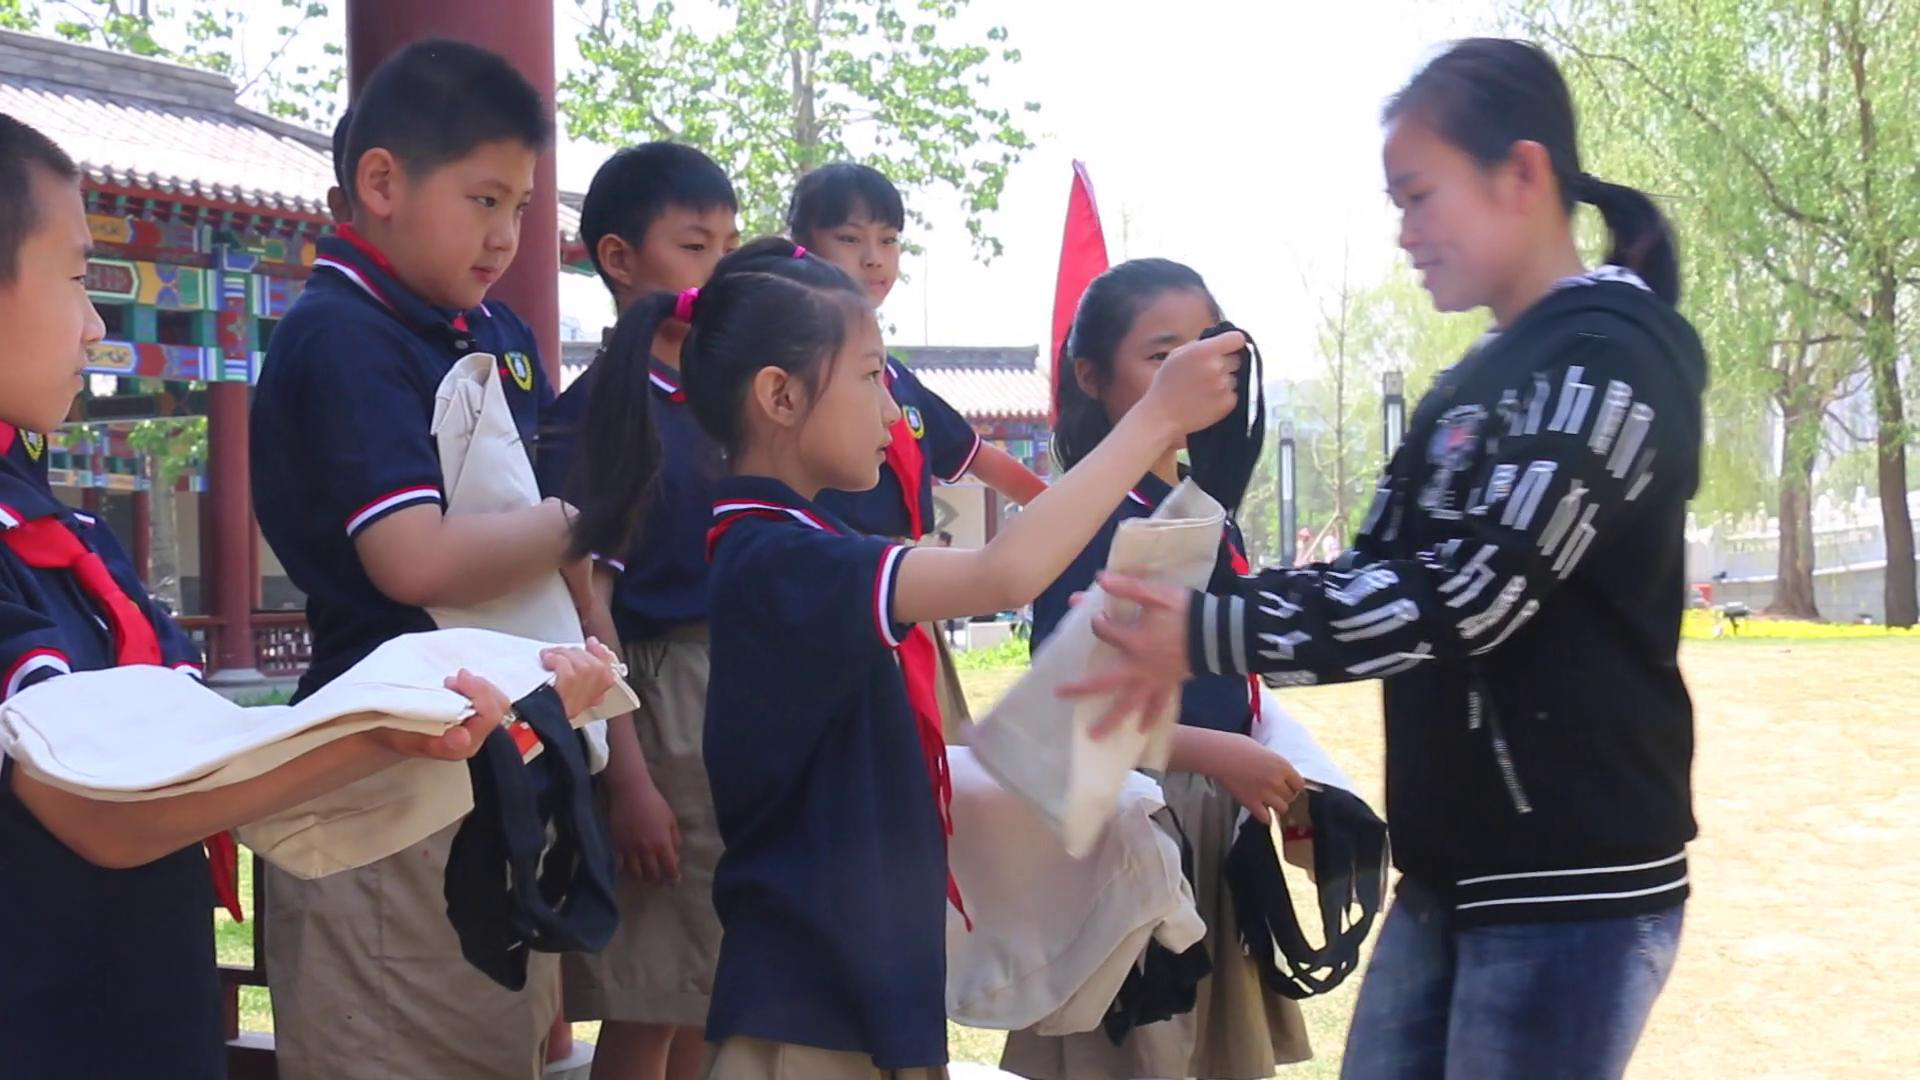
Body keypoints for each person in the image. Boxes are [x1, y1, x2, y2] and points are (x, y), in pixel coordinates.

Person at [1068, 39, 1701, 1080]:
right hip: (1454, 875)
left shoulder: (1615, 358)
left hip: (1569, 886)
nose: (1403, 231)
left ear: (1524, 175)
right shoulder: (1480, 381)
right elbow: (1372, 575)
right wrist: (1206, 604)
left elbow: (1473, 592)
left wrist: (1206, 630)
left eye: (1418, 195)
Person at [0, 113, 616, 1079]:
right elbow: (91, 809)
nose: (97, 324)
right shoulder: (341, 336)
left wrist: (491, 725)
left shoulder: (60, 527)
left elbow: (190, 764)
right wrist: (389, 729)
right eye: (79, 276)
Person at [562, 237, 1240, 1078]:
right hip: (810, 1013)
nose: (893, 412)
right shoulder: (782, 558)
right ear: (779, 395)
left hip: (854, 992)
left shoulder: (795, 542)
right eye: (872, 374)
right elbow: (1007, 568)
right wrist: (1156, 419)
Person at [249, 39, 628, 1080]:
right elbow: (411, 559)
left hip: (492, 757)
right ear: (380, 182)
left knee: (489, 1048)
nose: (508, 236)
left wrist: (593, 648)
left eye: (522, 208)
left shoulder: (490, 328)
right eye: (484, 200)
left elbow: (550, 523)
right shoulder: (344, 337)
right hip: (388, 776)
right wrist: (583, 521)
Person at [998, 258, 1312, 1080]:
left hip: (1214, 825)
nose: (1193, 371)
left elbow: (1230, 682)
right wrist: (1220, 757)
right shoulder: (1082, 521)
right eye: (1161, 354)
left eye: (1206, 345)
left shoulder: (1205, 510)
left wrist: (1292, 779)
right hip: (1130, 833)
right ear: (1092, 377)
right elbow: (1069, 713)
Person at [537, 141, 742, 1080]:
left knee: (714, 983)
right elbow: (593, 607)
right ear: (619, 260)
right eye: (696, 245)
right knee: (652, 995)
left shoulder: (726, 404)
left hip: (733, 705)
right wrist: (629, 781)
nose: (719, 271)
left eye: (730, 247)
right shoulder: (602, 419)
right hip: (656, 711)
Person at [789, 163, 1046, 739]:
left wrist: (1074, 516)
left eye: (890, 240)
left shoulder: (899, 378)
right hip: (840, 593)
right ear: (801, 247)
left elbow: (980, 458)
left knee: (936, 766)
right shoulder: (791, 371)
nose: (874, 258)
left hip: (911, 593)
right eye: (850, 239)